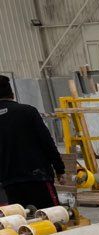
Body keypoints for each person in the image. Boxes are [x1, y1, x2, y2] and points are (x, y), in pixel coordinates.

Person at [0, 75, 66, 210]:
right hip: (37, 177)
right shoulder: (27, 111)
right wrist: (59, 169)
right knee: (50, 216)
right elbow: (47, 142)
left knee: (21, 219)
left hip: (9, 182)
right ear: (12, 93)